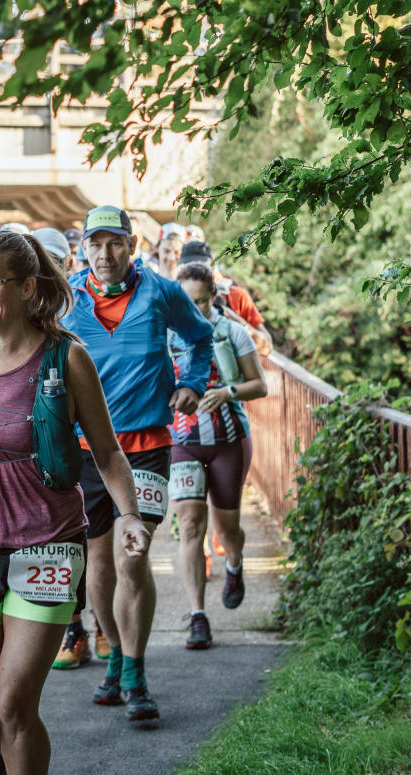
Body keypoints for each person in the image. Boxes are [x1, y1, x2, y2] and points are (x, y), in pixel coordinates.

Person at [0, 229, 150, 775]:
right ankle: (11, 751)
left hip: (47, 545)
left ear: (26, 287)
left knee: (15, 705)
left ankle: (18, 751)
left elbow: (107, 451)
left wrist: (130, 515)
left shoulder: (66, 358)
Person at [52, 205, 213, 723]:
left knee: (131, 557)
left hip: (145, 445)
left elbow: (201, 337)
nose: (105, 254)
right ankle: (117, 656)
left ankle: (136, 675)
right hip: (84, 450)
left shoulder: (161, 292)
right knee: (97, 566)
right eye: (95, 244)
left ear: (132, 246)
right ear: (83, 249)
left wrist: (191, 383)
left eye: (115, 243)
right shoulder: (66, 300)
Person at [168, 263, 268, 650]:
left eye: (200, 302)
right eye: (185, 302)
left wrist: (227, 392)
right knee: (191, 523)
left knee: (227, 530)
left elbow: (259, 385)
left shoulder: (231, 332)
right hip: (182, 440)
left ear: (213, 297)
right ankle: (197, 615)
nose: (192, 310)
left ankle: (234, 562)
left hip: (229, 439)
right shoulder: (164, 335)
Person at [178, 241, 273, 355]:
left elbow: (266, 349)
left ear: (212, 264)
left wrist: (236, 320)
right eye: (189, 268)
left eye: (200, 265)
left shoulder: (236, 296)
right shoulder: (174, 300)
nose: (195, 273)